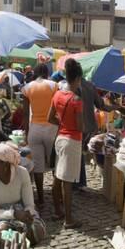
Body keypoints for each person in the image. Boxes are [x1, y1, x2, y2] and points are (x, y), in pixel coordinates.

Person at [0, 143, 47, 246]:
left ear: (6, 165)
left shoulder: (22, 173)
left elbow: (29, 203)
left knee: (36, 231)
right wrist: (13, 214)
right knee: (2, 233)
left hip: (22, 211)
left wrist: (27, 215)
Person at [47, 59, 84, 227]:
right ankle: (68, 219)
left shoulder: (57, 94)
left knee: (58, 176)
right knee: (67, 181)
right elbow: (80, 125)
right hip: (72, 141)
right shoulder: (76, 99)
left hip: (60, 138)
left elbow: (50, 118)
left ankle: (57, 211)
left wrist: (62, 124)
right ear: (77, 79)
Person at [21, 64, 59, 204]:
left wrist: (26, 134)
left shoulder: (27, 88)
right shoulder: (54, 86)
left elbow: (26, 114)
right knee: (56, 163)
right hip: (52, 128)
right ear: (47, 73)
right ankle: (58, 195)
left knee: (37, 165)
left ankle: (41, 197)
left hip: (34, 129)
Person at [75, 78, 118, 189]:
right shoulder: (90, 86)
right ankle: (80, 182)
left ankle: (78, 182)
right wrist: (115, 107)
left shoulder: (70, 85)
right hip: (88, 125)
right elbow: (101, 105)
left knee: (77, 153)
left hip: (76, 124)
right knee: (79, 152)